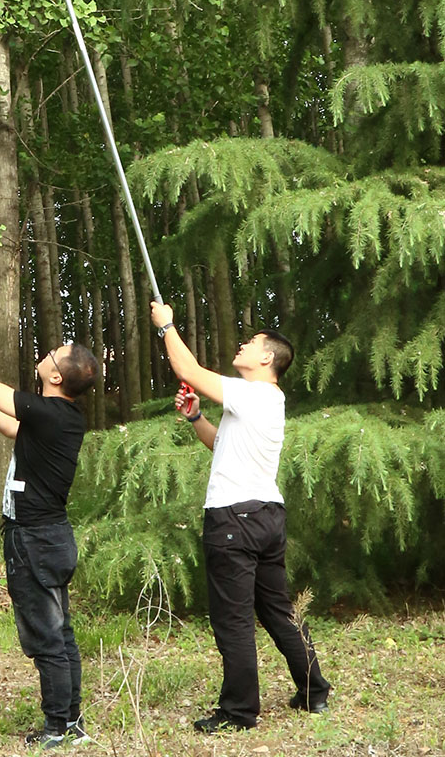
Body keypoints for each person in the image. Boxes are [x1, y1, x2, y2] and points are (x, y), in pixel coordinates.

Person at [150, 301, 330, 733]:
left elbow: (188, 369)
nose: (242, 345)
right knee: (276, 610)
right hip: (265, 517)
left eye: (251, 343)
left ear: (267, 358)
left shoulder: (252, 393)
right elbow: (221, 446)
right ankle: (314, 692)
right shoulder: (262, 402)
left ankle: (238, 712)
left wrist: (166, 326)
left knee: (233, 619)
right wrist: (196, 418)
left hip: (234, 521)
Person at [0, 317, 98, 750]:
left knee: (48, 637)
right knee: (60, 633)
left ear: (57, 376)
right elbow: (11, 426)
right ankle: (72, 723)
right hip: (49, 538)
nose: (45, 355)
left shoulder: (50, 411)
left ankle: (57, 729)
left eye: (51, 355)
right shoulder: (56, 418)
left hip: (35, 541)